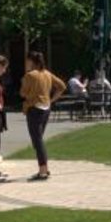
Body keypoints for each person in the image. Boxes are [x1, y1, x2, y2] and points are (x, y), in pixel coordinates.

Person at [18, 50, 68, 181]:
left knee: (37, 141)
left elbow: (23, 93)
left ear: (31, 61)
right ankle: (43, 168)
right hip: (46, 108)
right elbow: (62, 86)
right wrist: (52, 100)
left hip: (34, 108)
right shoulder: (47, 74)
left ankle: (43, 170)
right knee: (38, 140)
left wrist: (24, 82)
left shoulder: (30, 75)